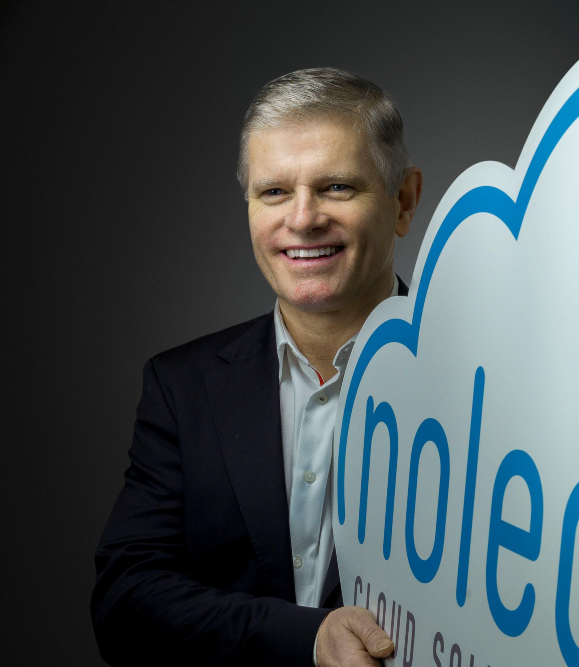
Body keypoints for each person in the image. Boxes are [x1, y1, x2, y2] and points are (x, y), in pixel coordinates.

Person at [92, 68, 423, 667]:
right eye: (273, 192)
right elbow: (124, 602)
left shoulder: (483, 386)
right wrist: (307, 639)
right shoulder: (182, 387)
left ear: (402, 201)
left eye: (337, 188)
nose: (302, 219)